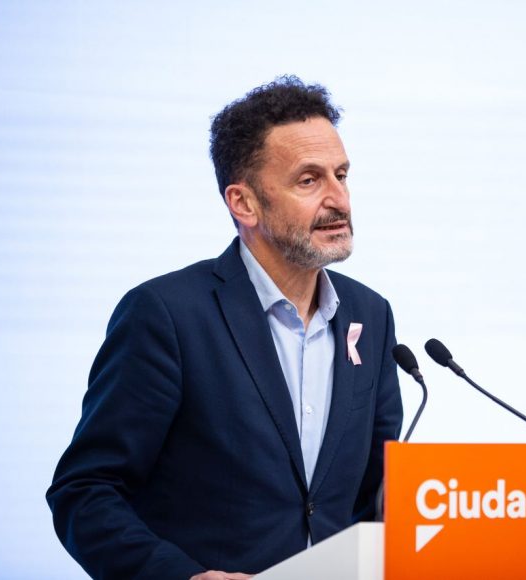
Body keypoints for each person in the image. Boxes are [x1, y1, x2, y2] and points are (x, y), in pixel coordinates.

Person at [46, 76, 403, 580]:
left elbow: (374, 496)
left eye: (341, 175)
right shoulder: (167, 315)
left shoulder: (371, 315)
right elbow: (85, 491)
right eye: (309, 180)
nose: (339, 199)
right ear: (244, 203)